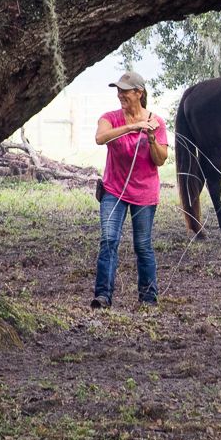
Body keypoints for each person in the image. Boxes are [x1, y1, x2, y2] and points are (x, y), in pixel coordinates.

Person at [92, 69, 169, 308]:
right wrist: (132, 127)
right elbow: (100, 138)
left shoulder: (156, 122)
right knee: (109, 240)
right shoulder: (110, 118)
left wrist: (152, 137)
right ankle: (103, 296)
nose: (120, 95)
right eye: (118, 91)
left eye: (125, 91)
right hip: (113, 190)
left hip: (144, 193)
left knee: (142, 245)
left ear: (139, 93)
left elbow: (160, 160)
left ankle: (148, 297)